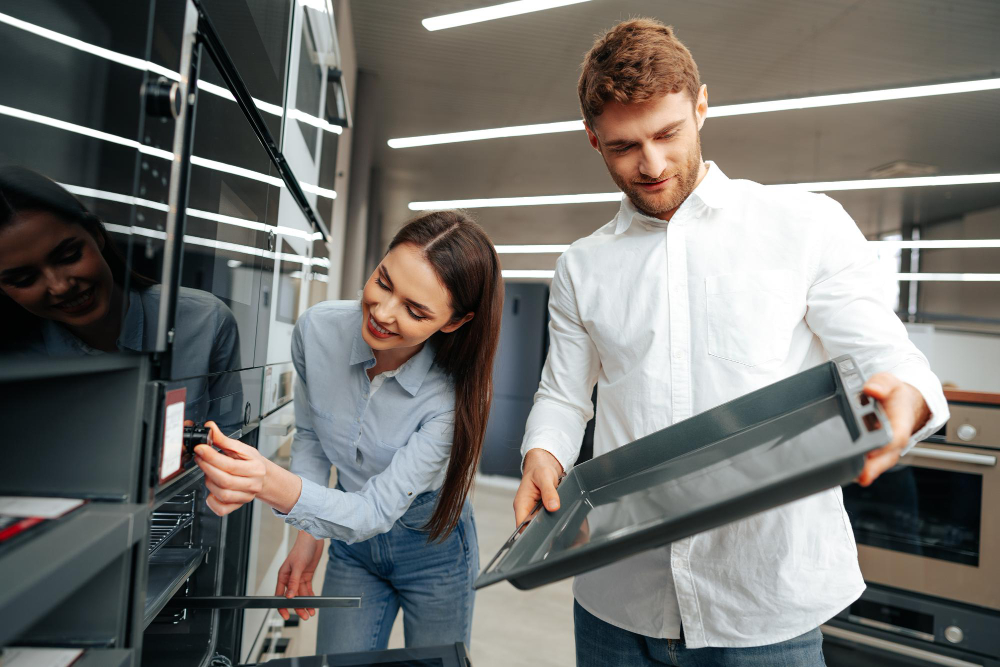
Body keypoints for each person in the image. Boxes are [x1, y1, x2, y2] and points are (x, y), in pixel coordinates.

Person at [511, 19, 949, 666]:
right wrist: (542, 453)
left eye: (668, 133)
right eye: (624, 146)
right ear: (592, 139)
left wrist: (905, 400)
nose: (651, 164)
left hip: (765, 606)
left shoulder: (805, 224)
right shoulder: (582, 265)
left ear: (702, 105)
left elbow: (890, 358)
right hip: (617, 602)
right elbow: (562, 393)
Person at [191, 210, 504, 654]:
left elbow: (375, 511)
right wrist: (309, 536)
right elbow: (313, 435)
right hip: (351, 546)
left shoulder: (455, 397)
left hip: (432, 548)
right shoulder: (318, 329)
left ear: (453, 322)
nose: (382, 312)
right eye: (383, 282)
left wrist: (268, 482)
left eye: (415, 310)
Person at [0, 166, 242, 427]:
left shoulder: (205, 320)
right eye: (23, 279)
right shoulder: (13, 357)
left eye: (69, 256)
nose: (59, 286)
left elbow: (228, 437)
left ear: (95, 233)